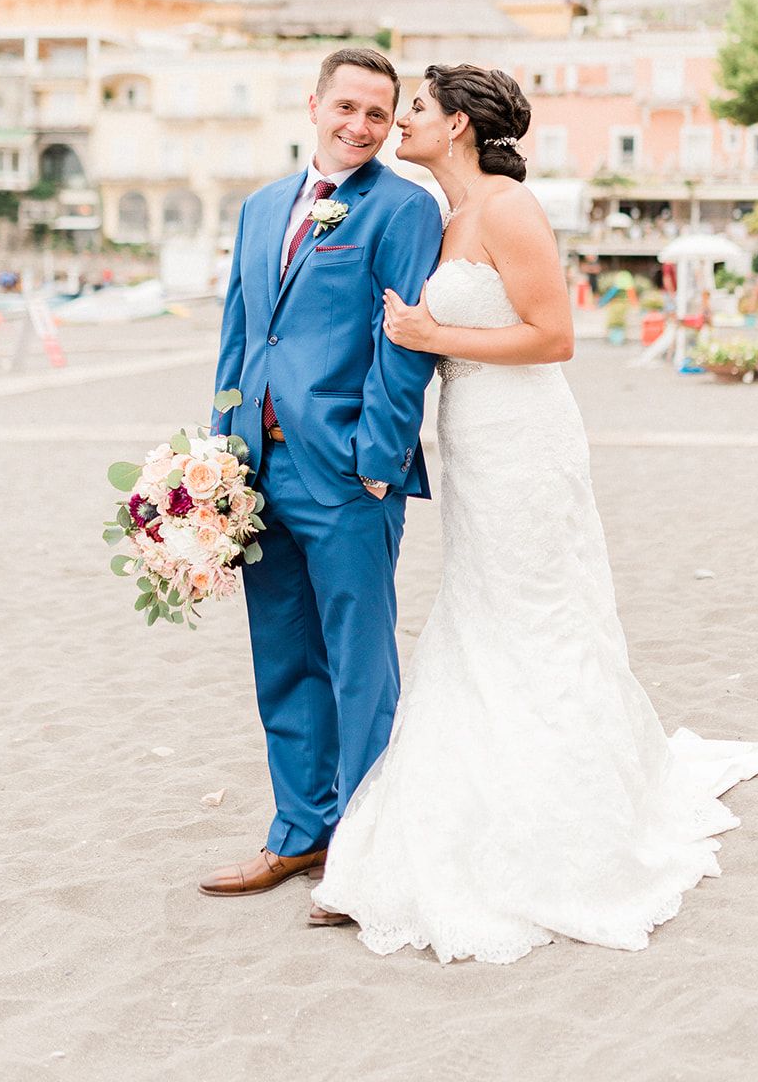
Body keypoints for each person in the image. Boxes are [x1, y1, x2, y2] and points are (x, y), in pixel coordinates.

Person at [313, 64, 758, 963]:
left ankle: (565, 818)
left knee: (537, 613)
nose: (396, 120)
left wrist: (431, 335)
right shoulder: (442, 219)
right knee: (484, 609)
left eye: (411, 107)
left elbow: (553, 336)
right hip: (474, 441)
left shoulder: (507, 210)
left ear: (455, 126)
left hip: (524, 435)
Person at [201, 48, 443, 917]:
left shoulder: (407, 210)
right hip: (257, 476)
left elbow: (403, 345)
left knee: (360, 665)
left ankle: (364, 851)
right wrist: (220, 459)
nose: (359, 125)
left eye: (378, 115)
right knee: (283, 659)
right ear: (313, 105)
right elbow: (238, 335)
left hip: (346, 477)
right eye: (346, 106)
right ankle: (299, 831)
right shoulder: (261, 209)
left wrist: (376, 464)